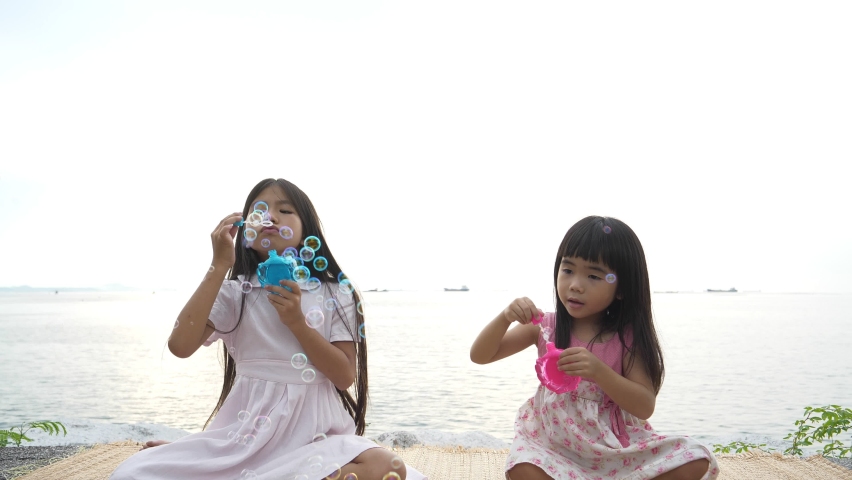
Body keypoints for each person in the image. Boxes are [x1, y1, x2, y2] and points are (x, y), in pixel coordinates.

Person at [112, 178, 424, 480]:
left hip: (315, 440)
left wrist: (297, 324)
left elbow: (344, 376)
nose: (271, 216)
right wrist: (219, 265)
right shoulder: (235, 293)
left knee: (388, 466)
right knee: (129, 473)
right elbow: (179, 346)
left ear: (307, 228)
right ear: (244, 229)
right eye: (259, 211)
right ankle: (208, 459)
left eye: (285, 210)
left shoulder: (334, 292)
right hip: (243, 440)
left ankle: (211, 464)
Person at [470, 216, 719, 480]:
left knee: (696, 456)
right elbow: (480, 355)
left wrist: (599, 372)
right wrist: (505, 317)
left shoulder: (626, 338)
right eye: (568, 270)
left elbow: (644, 406)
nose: (576, 284)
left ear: (621, 289)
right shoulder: (545, 327)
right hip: (553, 450)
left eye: (593, 275)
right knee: (522, 468)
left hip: (613, 451)